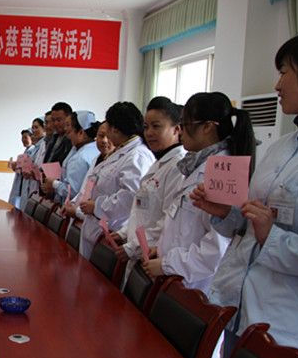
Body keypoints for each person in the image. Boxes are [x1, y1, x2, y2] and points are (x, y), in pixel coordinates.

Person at [192, 27, 298, 358]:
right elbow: (253, 225)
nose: (277, 85)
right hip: (241, 312)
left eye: (284, 72)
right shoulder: (283, 146)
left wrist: (271, 235)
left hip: (291, 330)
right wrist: (226, 214)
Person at [143, 93, 255, 295]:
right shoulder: (198, 166)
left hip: (195, 287)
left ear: (207, 127)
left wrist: (168, 264)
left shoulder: (224, 171)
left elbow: (217, 248)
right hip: (176, 279)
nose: (181, 131)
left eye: (185, 124)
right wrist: (161, 249)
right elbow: (182, 223)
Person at [113, 97, 186, 278]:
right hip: (140, 249)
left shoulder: (178, 166)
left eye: (156, 126)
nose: (149, 133)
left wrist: (133, 247)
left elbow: (167, 219)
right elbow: (140, 210)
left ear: (176, 129)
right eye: (146, 127)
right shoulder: (159, 162)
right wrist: (124, 233)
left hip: (152, 255)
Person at [76, 102, 154, 259]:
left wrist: (97, 206)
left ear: (115, 129)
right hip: (97, 228)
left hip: (113, 229)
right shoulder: (122, 150)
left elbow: (130, 198)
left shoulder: (137, 156)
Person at [42, 110, 100, 201]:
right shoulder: (90, 148)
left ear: (81, 132)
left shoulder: (80, 157)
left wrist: (53, 183)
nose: (65, 129)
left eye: (68, 125)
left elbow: (72, 192)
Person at [17, 117, 47, 209]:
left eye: (36, 127)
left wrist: (32, 172)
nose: (33, 130)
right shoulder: (36, 147)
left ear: (44, 128)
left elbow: (41, 169)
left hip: (38, 187)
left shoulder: (44, 145)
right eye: (32, 127)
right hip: (30, 185)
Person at [7, 127, 33, 209]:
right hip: (21, 184)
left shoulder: (33, 151)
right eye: (22, 138)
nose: (23, 140)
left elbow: (30, 168)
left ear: (32, 137)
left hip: (29, 185)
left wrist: (18, 166)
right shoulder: (26, 152)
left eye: (26, 137)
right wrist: (15, 167)